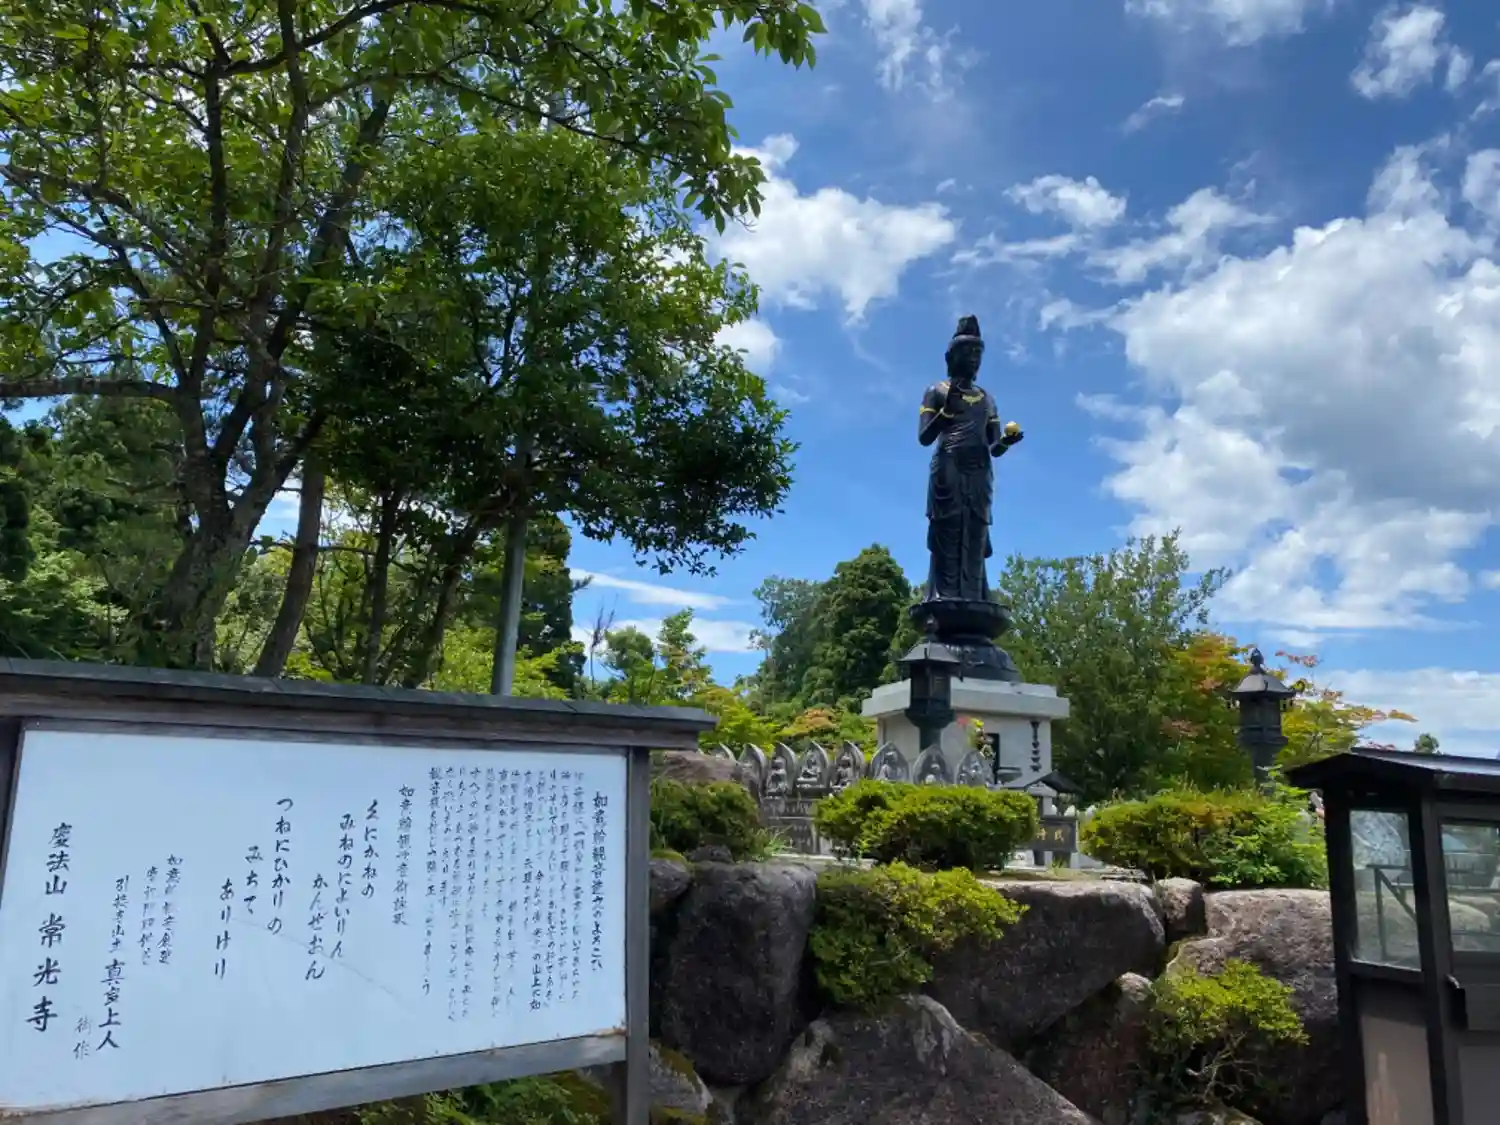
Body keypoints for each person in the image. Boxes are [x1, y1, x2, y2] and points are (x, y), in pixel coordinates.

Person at [917, 315, 1023, 602]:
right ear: (951, 357)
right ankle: (943, 595)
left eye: (978, 353)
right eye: (967, 352)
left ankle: (974, 596)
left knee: (976, 530)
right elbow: (924, 437)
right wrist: (946, 413)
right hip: (949, 466)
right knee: (948, 528)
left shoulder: (987, 399)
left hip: (980, 471)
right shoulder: (936, 391)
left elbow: (994, 446)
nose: (973, 359)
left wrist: (1006, 442)